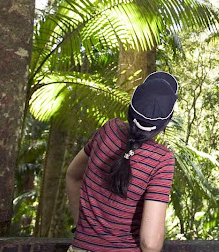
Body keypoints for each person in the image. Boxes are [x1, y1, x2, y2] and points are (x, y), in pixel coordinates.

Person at [65, 72, 178, 252]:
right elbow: (149, 243)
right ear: (166, 122)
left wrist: (85, 230)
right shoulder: (161, 160)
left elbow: (72, 175)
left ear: (131, 109)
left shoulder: (109, 130)